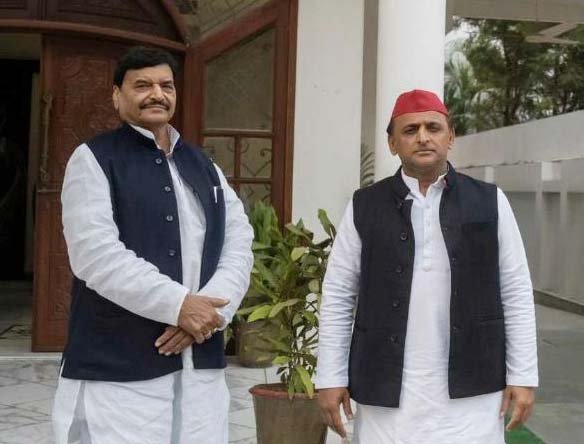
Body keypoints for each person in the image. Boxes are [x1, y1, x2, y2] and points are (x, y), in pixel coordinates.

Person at [52, 46, 254, 444]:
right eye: (142, 85)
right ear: (117, 96)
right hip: (119, 366)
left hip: (199, 361)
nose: (157, 94)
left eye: (166, 85)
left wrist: (208, 312)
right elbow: (95, 255)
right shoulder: (94, 159)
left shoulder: (203, 164)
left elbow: (239, 242)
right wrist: (179, 305)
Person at [315, 89, 538, 443]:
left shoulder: (489, 201)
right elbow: (339, 294)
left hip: (473, 390)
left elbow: (516, 290)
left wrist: (523, 375)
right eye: (410, 130)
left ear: (451, 137)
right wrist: (329, 376)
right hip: (386, 390)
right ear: (392, 143)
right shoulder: (365, 206)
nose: (423, 137)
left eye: (433, 127)